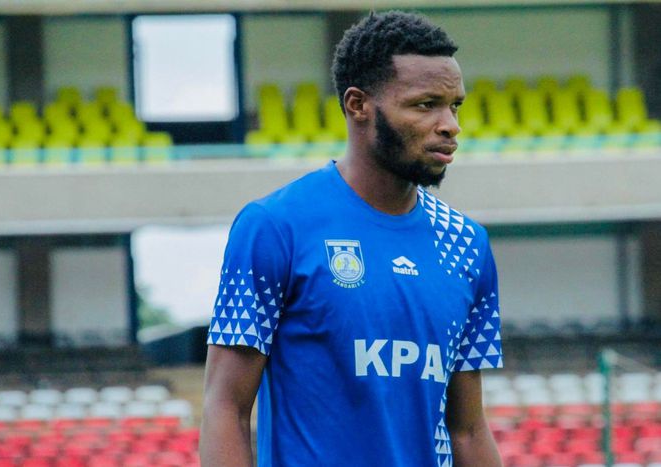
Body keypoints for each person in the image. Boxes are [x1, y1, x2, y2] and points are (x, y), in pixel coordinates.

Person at [201, 10, 504, 467]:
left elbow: (468, 429)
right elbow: (225, 407)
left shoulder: (466, 244)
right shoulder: (276, 226)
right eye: (426, 105)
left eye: (454, 106)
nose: (450, 124)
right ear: (358, 105)